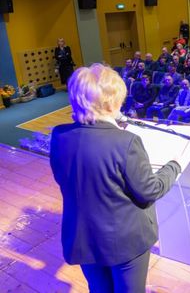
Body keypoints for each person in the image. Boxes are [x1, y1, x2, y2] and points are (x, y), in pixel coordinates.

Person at [50, 64, 181, 292]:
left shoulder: (59, 136)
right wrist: (174, 166)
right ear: (110, 104)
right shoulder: (126, 142)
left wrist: (110, 125)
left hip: (83, 237)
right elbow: (149, 190)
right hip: (124, 241)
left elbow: (70, 177)